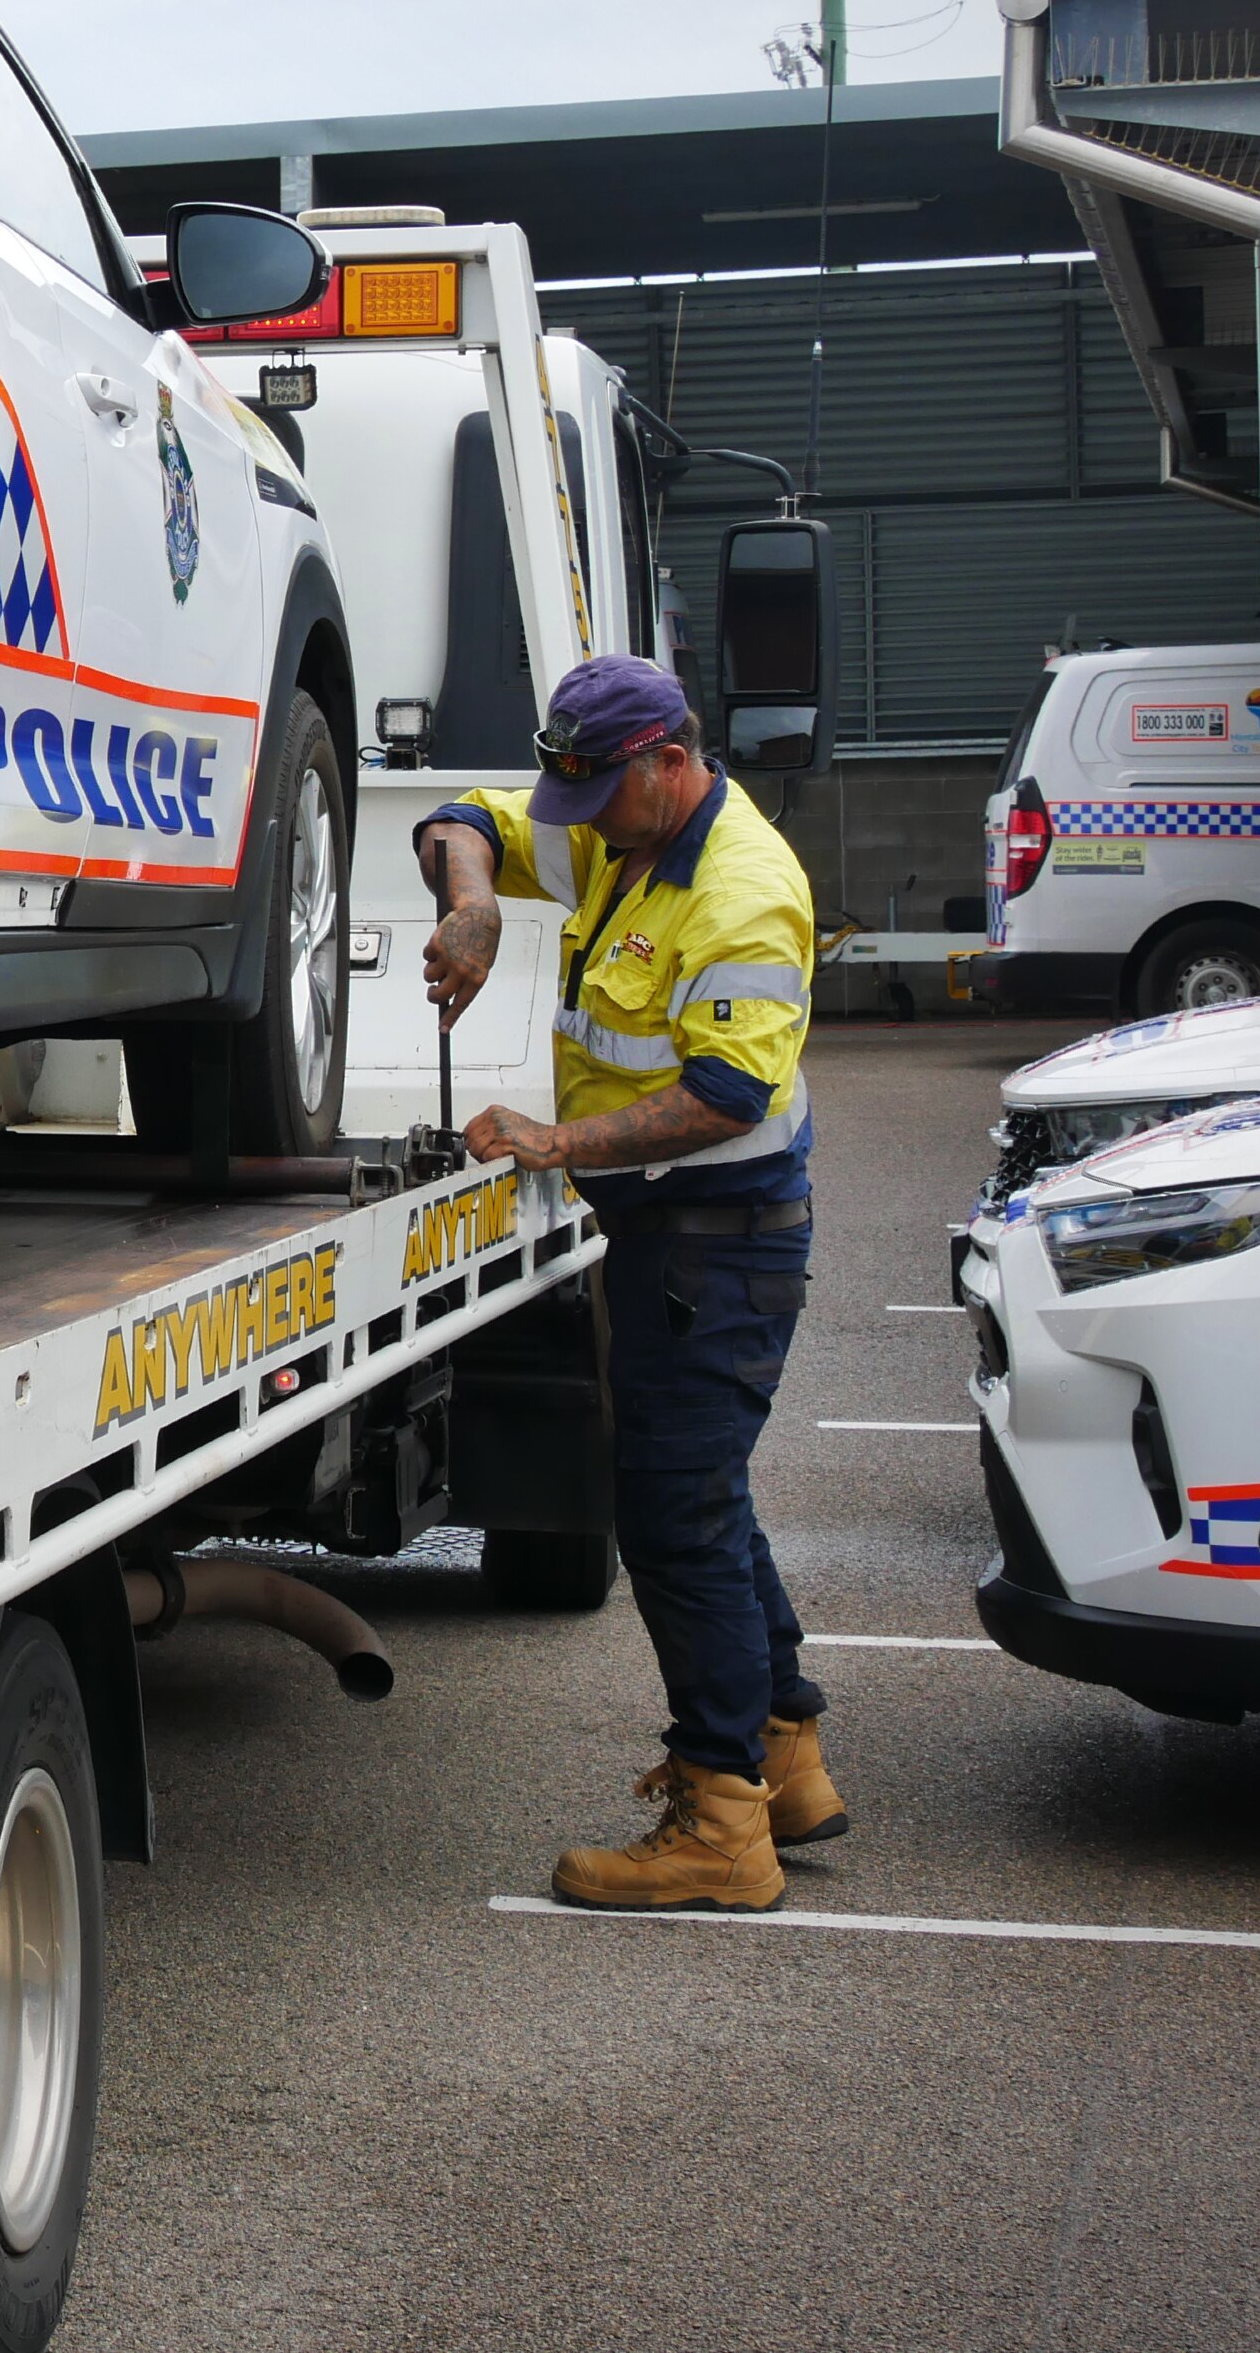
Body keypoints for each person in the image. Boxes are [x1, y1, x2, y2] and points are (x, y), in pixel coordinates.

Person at [417, 654, 841, 1913]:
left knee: (674, 1518)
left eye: (601, 795)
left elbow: (724, 1096)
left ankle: (724, 1825)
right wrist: (478, 902)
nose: (580, 824)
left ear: (669, 759)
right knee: (704, 1496)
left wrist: (556, 1144)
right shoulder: (624, 831)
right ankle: (786, 1757)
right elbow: (464, 824)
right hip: (675, 1242)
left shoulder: (744, 892)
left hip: (721, 1239)